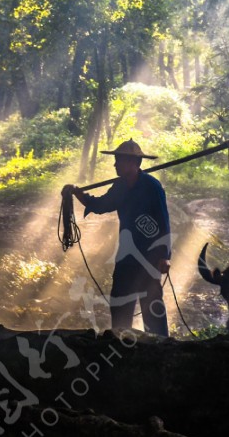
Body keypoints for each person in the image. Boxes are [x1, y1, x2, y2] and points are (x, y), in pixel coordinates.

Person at [70, 138, 171, 337]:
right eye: (116, 160)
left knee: (152, 307)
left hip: (150, 258)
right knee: (120, 302)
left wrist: (165, 255)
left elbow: (163, 220)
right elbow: (101, 205)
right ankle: (120, 341)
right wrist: (78, 194)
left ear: (133, 164)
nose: (115, 164)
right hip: (127, 257)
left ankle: (161, 346)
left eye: (119, 160)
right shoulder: (120, 187)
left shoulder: (152, 187)